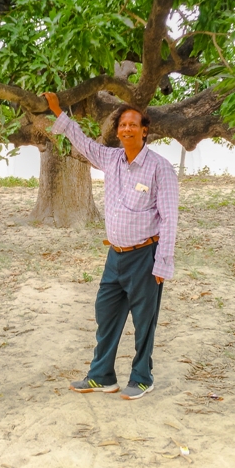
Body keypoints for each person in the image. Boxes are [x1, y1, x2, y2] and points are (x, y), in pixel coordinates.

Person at [42, 92, 179, 400]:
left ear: (145, 130)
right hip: (114, 255)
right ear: (117, 131)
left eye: (133, 124)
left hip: (145, 256)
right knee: (106, 313)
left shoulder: (160, 167)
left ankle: (142, 377)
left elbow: (170, 218)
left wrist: (163, 263)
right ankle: (102, 376)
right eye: (122, 125)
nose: (127, 129)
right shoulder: (110, 158)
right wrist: (58, 111)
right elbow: (82, 142)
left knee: (145, 321)